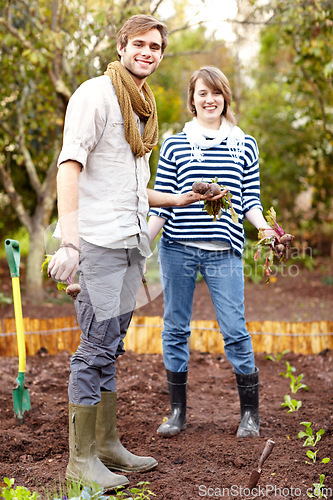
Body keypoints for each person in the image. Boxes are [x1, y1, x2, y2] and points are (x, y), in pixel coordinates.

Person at [47, 17, 222, 491]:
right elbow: (70, 166)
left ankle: (105, 447)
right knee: (95, 349)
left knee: (111, 347)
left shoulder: (142, 106)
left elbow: (135, 188)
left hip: (130, 243)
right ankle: (80, 465)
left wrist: (180, 198)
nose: (148, 52)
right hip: (99, 243)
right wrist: (70, 241)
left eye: (156, 47)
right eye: (140, 44)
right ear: (121, 45)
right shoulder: (95, 95)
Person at [148, 66, 278, 440]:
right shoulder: (174, 144)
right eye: (202, 93)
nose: (209, 99)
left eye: (216, 93)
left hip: (224, 252)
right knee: (174, 328)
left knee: (235, 330)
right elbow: (162, 205)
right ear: (192, 100)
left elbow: (250, 199)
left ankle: (249, 415)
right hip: (177, 248)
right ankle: (177, 412)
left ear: (225, 97)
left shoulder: (244, 144)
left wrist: (267, 230)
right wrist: (144, 243)